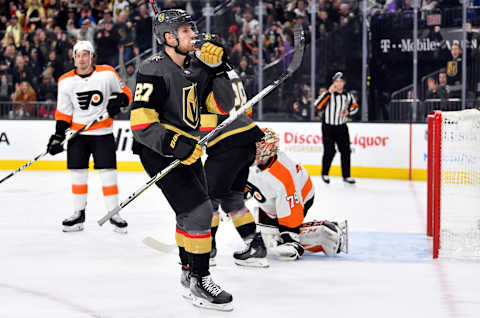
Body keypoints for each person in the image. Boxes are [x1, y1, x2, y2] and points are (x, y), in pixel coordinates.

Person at [129, 9, 234, 311]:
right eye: (186, 31)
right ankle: (201, 280)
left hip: (188, 149)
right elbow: (141, 124)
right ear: (168, 38)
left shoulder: (198, 67)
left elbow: (222, 106)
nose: (193, 36)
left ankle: (188, 271)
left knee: (190, 214)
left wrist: (219, 69)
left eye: (192, 30)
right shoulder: (153, 69)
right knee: (201, 211)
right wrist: (175, 143)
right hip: (159, 151)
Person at [46, 40, 132, 233]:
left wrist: (118, 103)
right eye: (78, 55)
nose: (82, 59)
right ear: (74, 57)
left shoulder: (107, 73)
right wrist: (58, 136)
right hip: (78, 135)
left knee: (108, 173)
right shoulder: (65, 81)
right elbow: (63, 113)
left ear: (92, 56)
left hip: (103, 133)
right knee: (78, 174)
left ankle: (114, 214)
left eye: (85, 55)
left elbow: (126, 94)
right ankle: (78, 215)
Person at [246, 128, 348, 260]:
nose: (251, 151)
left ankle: (328, 234)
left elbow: (292, 206)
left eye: (257, 148)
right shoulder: (253, 162)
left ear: (268, 149)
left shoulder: (283, 175)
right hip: (274, 201)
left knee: (275, 239)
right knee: (264, 235)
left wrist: (290, 237)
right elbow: (246, 182)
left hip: (302, 197)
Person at [202, 68, 268, 268]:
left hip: (227, 144)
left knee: (206, 199)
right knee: (232, 200)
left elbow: (209, 118)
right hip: (247, 140)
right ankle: (254, 247)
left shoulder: (204, 74)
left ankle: (205, 250)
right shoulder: (231, 72)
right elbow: (246, 110)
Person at [315, 72, 358, 184]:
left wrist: (348, 112)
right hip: (328, 127)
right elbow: (318, 105)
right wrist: (328, 92)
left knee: (346, 152)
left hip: (342, 127)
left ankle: (346, 176)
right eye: (336, 81)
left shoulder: (348, 95)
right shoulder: (328, 94)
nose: (338, 83)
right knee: (329, 151)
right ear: (333, 83)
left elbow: (355, 107)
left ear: (344, 83)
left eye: (341, 81)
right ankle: (325, 173)